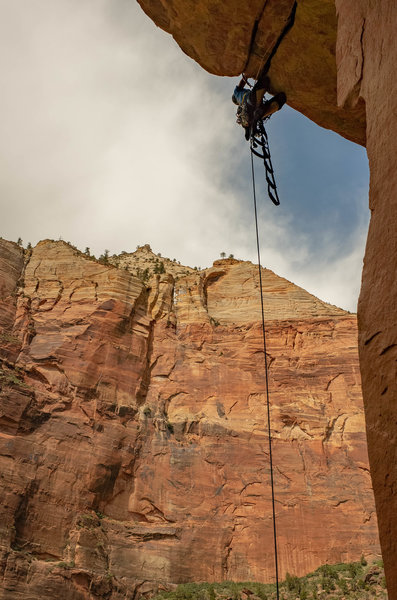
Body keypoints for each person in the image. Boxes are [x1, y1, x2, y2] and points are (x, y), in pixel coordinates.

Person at [232, 73, 286, 139]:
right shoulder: (236, 94)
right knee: (265, 81)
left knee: (281, 98)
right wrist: (247, 74)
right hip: (250, 101)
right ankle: (258, 116)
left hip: (253, 108)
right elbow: (243, 81)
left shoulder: (241, 106)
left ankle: (258, 117)